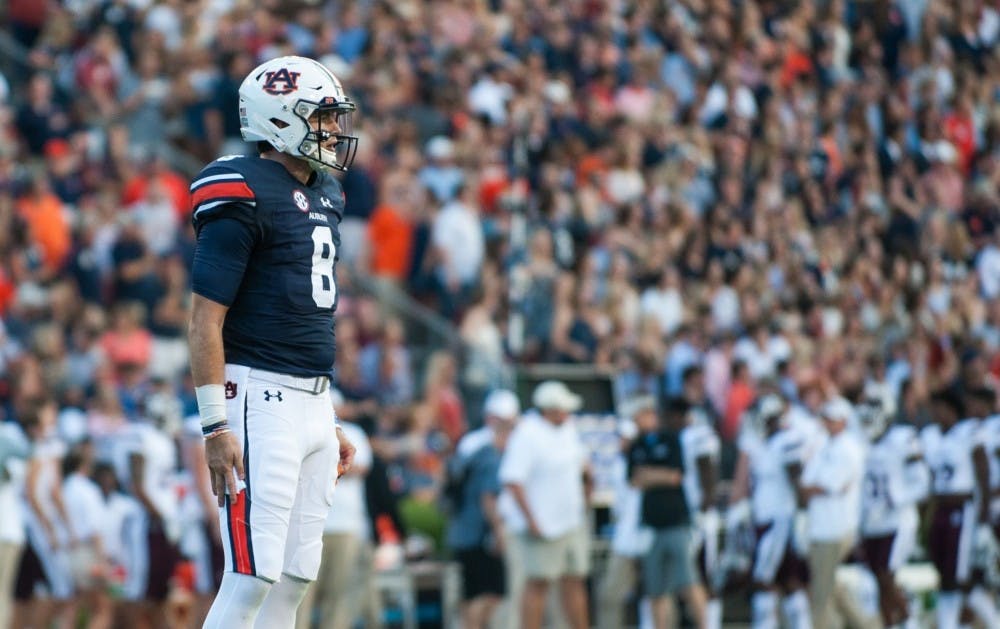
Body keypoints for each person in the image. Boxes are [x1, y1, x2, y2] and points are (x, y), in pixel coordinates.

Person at [187, 55, 358, 629]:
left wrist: (324, 414)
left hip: (311, 400)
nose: (333, 131)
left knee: (293, 579)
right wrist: (215, 426)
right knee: (250, 576)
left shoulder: (327, 192)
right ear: (282, 119)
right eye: (323, 117)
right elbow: (204, 319)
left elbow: (303, 311)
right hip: (258, 398)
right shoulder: (241, 187)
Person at [499, 380, 591, 629]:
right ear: (549, 409)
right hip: (543, 524)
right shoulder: (528, 434)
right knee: (537, 584)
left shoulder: (569, 429)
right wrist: (532, 521)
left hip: (571, 520)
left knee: (574, 581)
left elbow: (582, 467)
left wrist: (586, 496)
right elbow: (513, 480)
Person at [627, 398, 707, 629]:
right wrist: (658, 475)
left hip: (677, 522)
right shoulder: (638, 445)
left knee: (689, 581)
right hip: (651, 526)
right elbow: (633, 480)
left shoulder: (671, 439)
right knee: (656, 588)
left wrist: (648, 475)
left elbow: (675, 476)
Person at [856, 382, 929, 628]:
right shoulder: (862, 442)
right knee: (878, 581)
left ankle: (910, 620)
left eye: (872, 405)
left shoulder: (904, 438)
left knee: (886, 577)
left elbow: (922, 483)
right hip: (872, 523)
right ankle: (891, 623)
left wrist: (895, 498)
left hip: (898, 521)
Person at [798, 397, 871, 629]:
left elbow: (830, 486)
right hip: (820, 527)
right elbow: (806, 484)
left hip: (835, 527)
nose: (828, 423)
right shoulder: (824, 445)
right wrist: (812, 488)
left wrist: (812, 488)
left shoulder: (848, 448)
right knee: (831, 588)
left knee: (821, 594)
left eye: (833, 419)